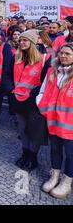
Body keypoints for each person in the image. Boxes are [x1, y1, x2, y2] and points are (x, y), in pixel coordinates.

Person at [11, 30, 51, 172]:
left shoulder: (45, 59)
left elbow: (46, 82)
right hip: (18, 99)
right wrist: (12, 89)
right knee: (22, 129)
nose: (21, 42)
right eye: (20, 40)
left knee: (33, 131)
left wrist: (31, 93)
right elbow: (8, 76)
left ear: (33, 42)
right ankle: (25, 153)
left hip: (34, 101)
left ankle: (33, 158)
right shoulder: (17, 57)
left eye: (25, 40)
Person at [37, 44, 73, 199]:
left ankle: (67, 181)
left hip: (70, 124)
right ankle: (55, 175)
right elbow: (43, 90)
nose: (63, 56)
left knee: (71, 154)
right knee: (55, 150)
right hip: (53, 120)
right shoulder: (53, 71)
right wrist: (41, 105)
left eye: (67, 54)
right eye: (61, 53)